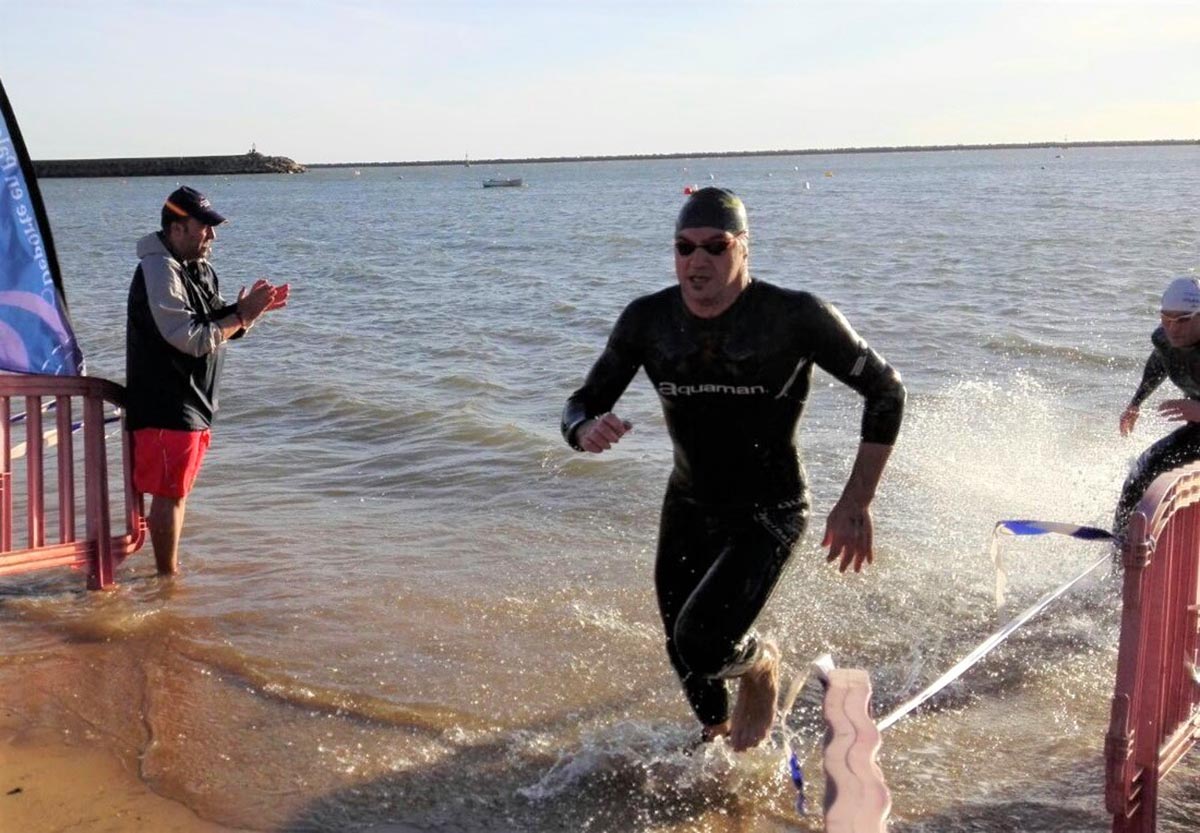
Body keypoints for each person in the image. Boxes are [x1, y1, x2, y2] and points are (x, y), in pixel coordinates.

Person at [560, 187, 906, 751]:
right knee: (681, 646)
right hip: (690, 500)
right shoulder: (647, 320)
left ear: (743, 248)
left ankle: (761, 663)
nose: (697, 262)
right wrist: (583, 430)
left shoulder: (795, 316)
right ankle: (717, 745)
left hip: (770, 508)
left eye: (715, 248)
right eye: (684, 248)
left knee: (702, 639)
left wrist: (855, 501)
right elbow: (581, 402)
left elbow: (886, 391)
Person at [125, 186, 289, 575]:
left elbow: (218, 322)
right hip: (166, 404)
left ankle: (167, 575)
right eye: (205, 228)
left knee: (176, 494)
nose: (212, 237)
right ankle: (167, 579)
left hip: (193, 403)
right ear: (178, 228)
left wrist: (250, 312)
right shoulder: (158, 269)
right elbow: (193, 338)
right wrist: (242, 316)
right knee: (169, 495)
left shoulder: (197, 267)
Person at [1115, 275, 1200, 534]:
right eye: (1166, 319)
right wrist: (1136, 403)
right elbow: (1158, 364)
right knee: (1144, 468)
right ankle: (1121, 549)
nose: (1173, 328)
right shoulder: (1164, 339)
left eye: (1182, 320)